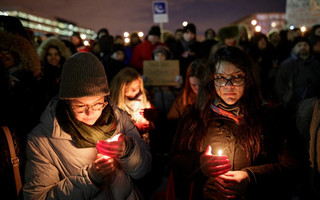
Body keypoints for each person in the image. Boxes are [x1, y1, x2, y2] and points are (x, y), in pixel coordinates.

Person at [170, 46, 303, 200]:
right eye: (221, 78)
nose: (228, 86)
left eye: (237, 77)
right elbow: (176, 160)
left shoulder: (270, 116)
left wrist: (250, 177)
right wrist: (198, 164)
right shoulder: (195, 117)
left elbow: (293, 165)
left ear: (249, 78)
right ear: (211, 79)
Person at [23, 52, 152, 199]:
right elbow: (37, 197)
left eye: (98, 104)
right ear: (66, 102)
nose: (90, 113)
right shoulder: (43, 140)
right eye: (80, 106)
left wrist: (128, 151)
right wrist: (90, 178)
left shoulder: (119, 118)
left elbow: (144, 169)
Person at [275, 36, 320, 117]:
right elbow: (280, 86)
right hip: (295, 106)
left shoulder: (315, 63)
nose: (302, 47)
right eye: (299, 45)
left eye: (305, 45)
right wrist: (289, 100)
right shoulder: (287, 65)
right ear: (293, 48)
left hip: (316, 104)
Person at [109, 67, 155, 146]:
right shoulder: (114, 105)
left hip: (144, 144)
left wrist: (153, 117)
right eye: (132, 89)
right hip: (126, 146)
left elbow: (153, 123)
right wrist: (134, 129)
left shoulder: (144, 99)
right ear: (121, 88)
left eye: (138, 87)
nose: (136, 90)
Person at [37, 36, 72, 109]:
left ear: (61, 55)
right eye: (49, 54)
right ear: (45, 56)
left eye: (56, 54)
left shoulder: (66, 73)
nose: (53, 57)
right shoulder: (40, 73)